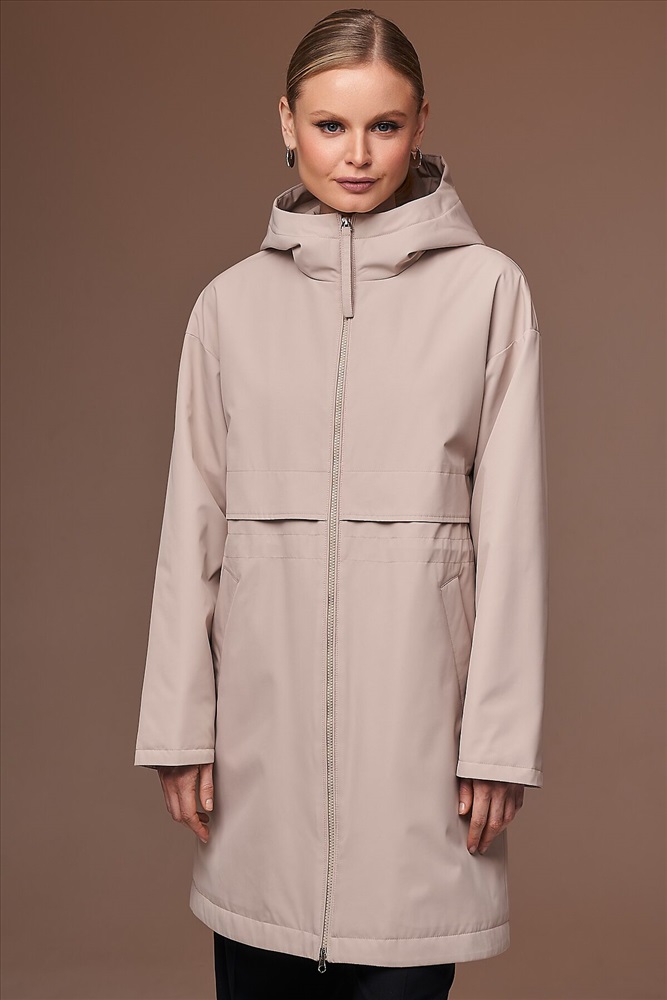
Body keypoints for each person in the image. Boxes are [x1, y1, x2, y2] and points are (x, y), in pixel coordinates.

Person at [134, 7, 549, 999]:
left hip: (419, 747)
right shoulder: (228, 306)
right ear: (286, 121)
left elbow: (512, 532)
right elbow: (191, 525)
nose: (356, 154)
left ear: (420, 123)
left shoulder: (488, 293)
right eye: (329, 125)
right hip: (260, 753)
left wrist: (498, 743)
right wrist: (178, 727)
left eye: (383, 125)